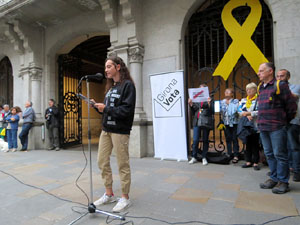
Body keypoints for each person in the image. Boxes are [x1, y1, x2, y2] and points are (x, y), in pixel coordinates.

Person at [93, 56, 136, 212]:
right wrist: (97, 107)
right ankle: (109, 194)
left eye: (109, 66)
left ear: (118, 67)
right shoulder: (111, 87)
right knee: (101, 161)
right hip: (106, 130)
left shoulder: (128, 86)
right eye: (105, 67)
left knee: (122, 163)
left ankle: (125, 197)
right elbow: (108, 110)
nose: (106, 70)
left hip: (120, 131)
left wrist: (106, 108)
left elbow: (126, 111)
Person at [257, 62, 297, 194]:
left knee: (280, 154)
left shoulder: (280, 85)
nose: (259, 73)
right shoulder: (260, 87)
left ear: (270, 71)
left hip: (277, 126)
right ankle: (273, 178)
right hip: (263, 126)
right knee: (269, 154)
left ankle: (283, 182)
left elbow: (291, 106)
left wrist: (284, 121)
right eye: (259, 71)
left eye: (261, 71)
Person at [276, 69, 300, 181]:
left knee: (294, 147)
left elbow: (294, 97)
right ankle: (284, 170)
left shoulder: (295, 87)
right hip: (279, 122)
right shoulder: (274, 88)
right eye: (278, 76)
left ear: (288, 77)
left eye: (282, 76)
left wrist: (283, 90)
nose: (279, 78)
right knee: (281, 147)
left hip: (292, 121)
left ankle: (297, 171)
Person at [188, 84, 214, 165]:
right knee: (195, 140)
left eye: (203, 89)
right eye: (200, 89)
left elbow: (212, 111)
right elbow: (194, 111)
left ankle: (204, 157)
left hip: (205, 121)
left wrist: (210, 103)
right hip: (197, 121)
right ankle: (194, 157)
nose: (201, 91)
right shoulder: (196, 99)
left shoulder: (209, 98)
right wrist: (191, 104)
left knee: (205, 139)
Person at [238, 82, 260, 170]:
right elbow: (239, 110)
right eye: (247, 89)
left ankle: (255, 162)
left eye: (251, 89)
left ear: (255, 90)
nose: (249, 91)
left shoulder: (258, 100)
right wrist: (246, 114)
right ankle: (248, 161)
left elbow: (260, 111)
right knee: (247, 143)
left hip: (255, 125)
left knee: (255, 144)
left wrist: (251, 113)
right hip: (245, 126)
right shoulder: (243, 100)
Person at [220, 88, 240, 163]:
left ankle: (236, 155)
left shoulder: (235, 101)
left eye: (228, 92)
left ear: (232, 94)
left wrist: (228, 104)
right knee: (228, 138)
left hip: (234, 123)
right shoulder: (222, 102)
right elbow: (222, 110)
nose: (226, 93)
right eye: (225, 92)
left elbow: (234, 110)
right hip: (226, 123)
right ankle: (229, 154)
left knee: (234, 138)